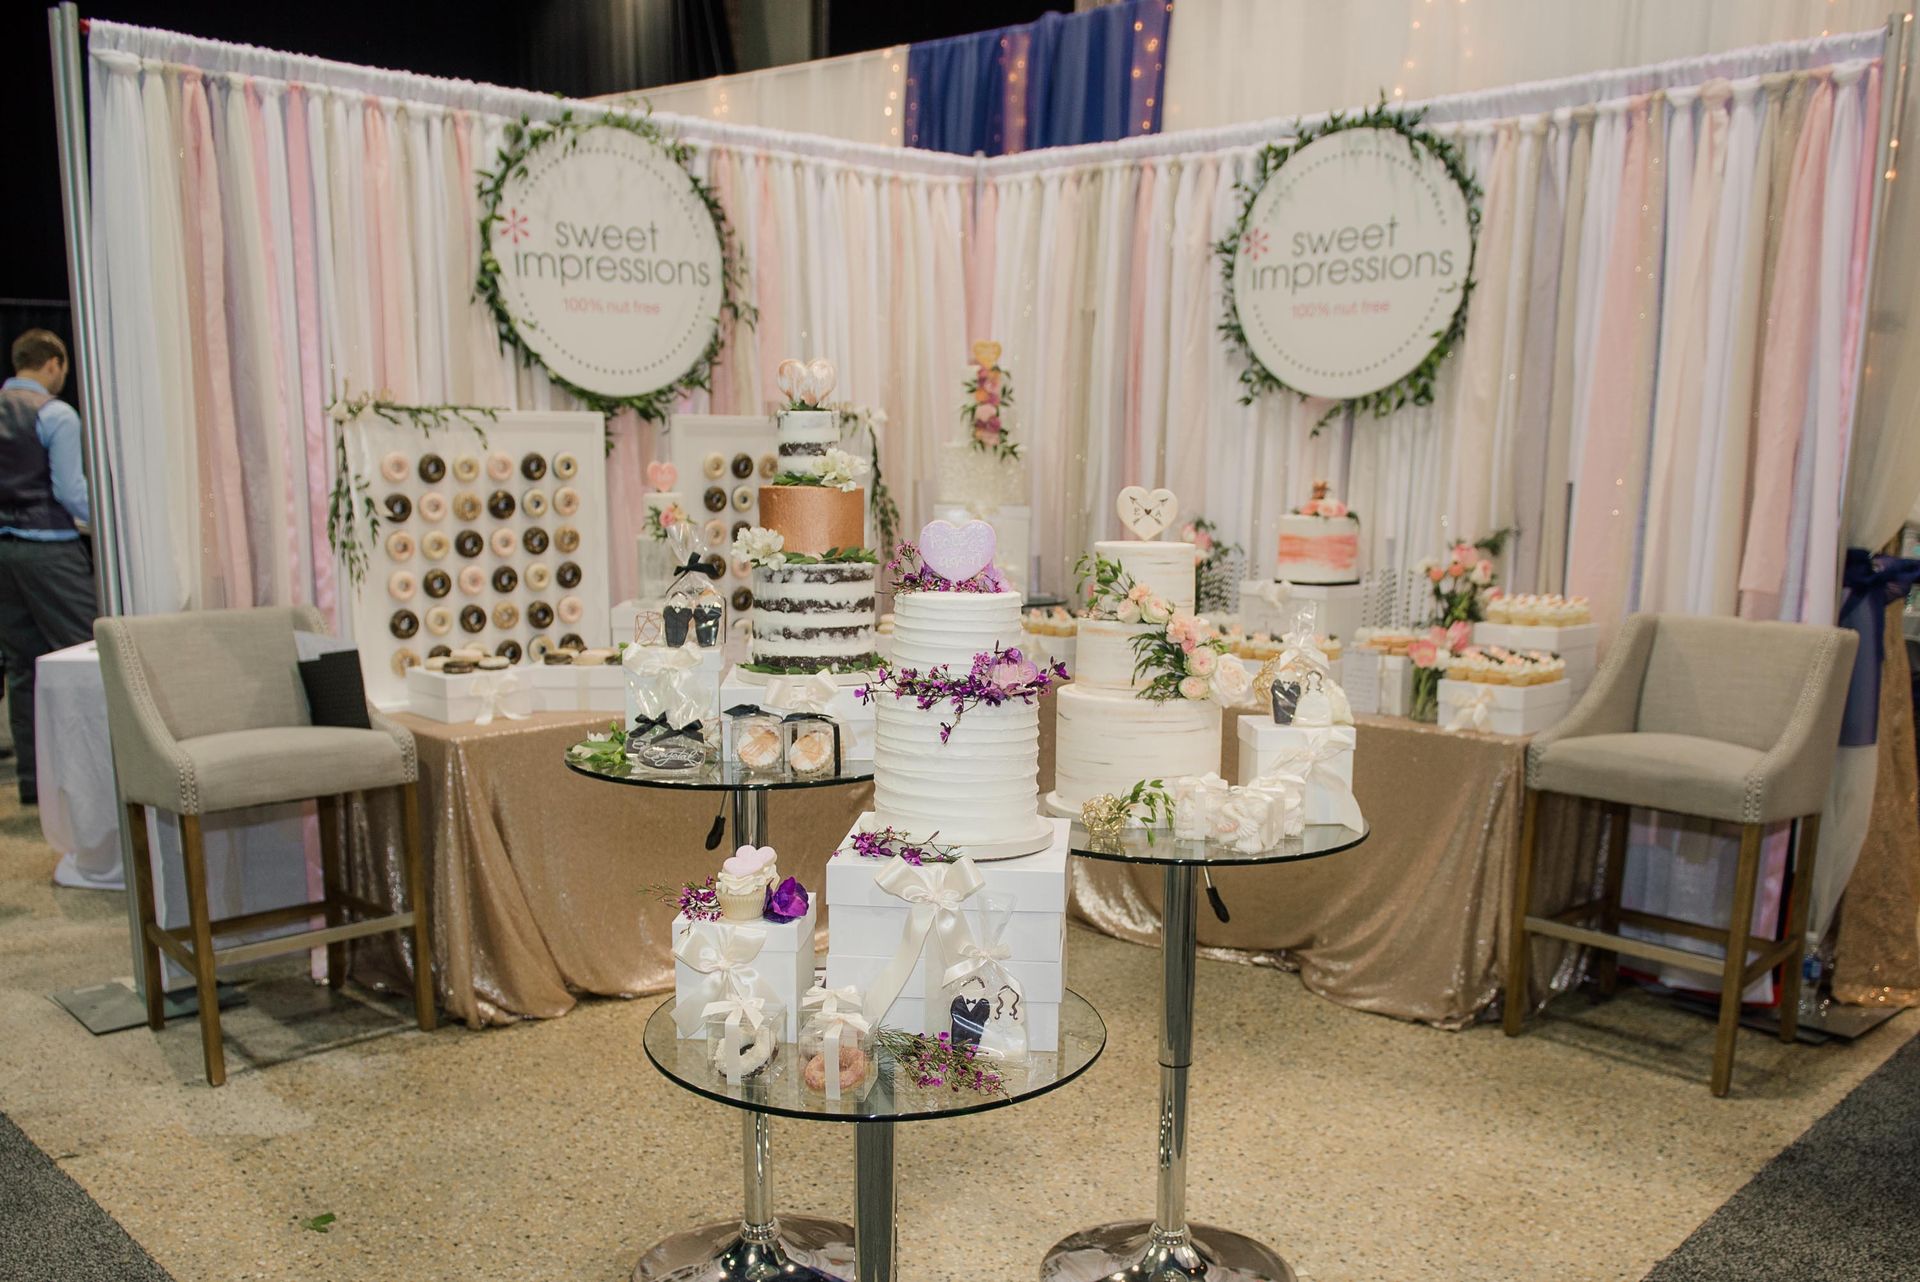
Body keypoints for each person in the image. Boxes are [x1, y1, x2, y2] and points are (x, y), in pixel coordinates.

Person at [0, 329, 97, 805]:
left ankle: (34, 783)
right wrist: (113, 523)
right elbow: (71, 493)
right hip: (50, 551)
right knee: (88, 655)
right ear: (54, 364)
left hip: (5, 553)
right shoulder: (56, 415)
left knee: (22, 667)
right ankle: (92, 776)